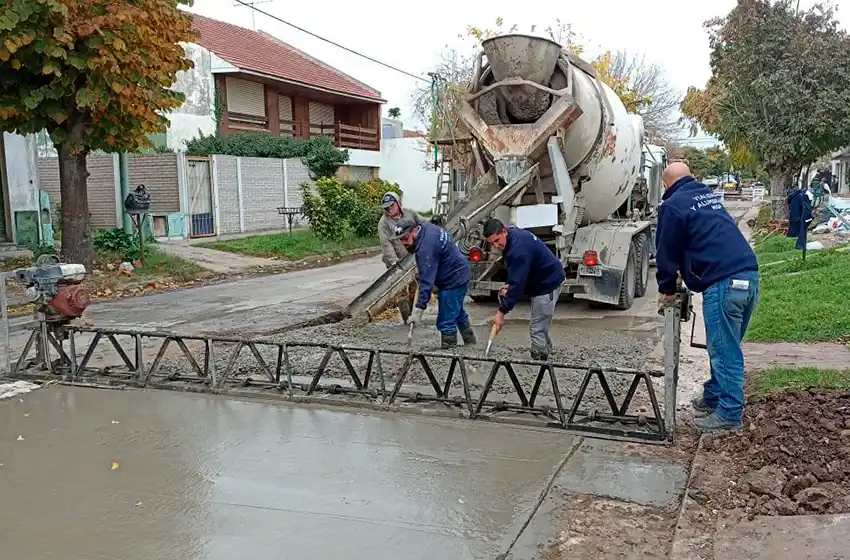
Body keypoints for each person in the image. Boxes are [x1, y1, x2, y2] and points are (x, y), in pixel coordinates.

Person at [656, 162, 760, 433]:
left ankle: (729, 414)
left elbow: (666, 251)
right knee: (727, 346)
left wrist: (667, 289)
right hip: (748, 277)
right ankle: (714, 395)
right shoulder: (707, 196)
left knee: (725, 352)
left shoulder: (673, 205)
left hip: (724, 283)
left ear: (666, 184)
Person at [482, 218, 566, 361]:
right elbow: (516, 273)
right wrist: (509, 284)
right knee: (540, 321)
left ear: (504, 231)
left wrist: (501, 312)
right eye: (492, 243)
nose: (495, 246)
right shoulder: (512, 237)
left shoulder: (519, 249)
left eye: (496, 240)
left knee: (537, 326)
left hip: (548, 282)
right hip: (540, 279)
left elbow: (518, 285)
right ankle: (547, 350)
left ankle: (540, 358)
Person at [394, 219, 476, 349]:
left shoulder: (426, 247)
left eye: (405, 238)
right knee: (456, 311)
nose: (404, 243)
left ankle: (449, 350)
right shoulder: (426, 228)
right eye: (400, 240)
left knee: (446, 319)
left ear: (414, 230)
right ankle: (471, 345)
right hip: (458, 271)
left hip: (453, 279)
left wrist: (419, 308)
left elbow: (426, 283)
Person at [377, 192, 421, 322]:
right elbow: (386, 245)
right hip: (396, 260)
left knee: (414, 286)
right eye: (386, 207)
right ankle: (406, 318)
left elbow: (423, 224)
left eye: (391, 206)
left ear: (398, 203)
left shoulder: (410, 214)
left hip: (411, 257)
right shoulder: (384, 223)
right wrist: (394, 262)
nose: (389, 209)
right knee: (401, 290)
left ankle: (412, 313)